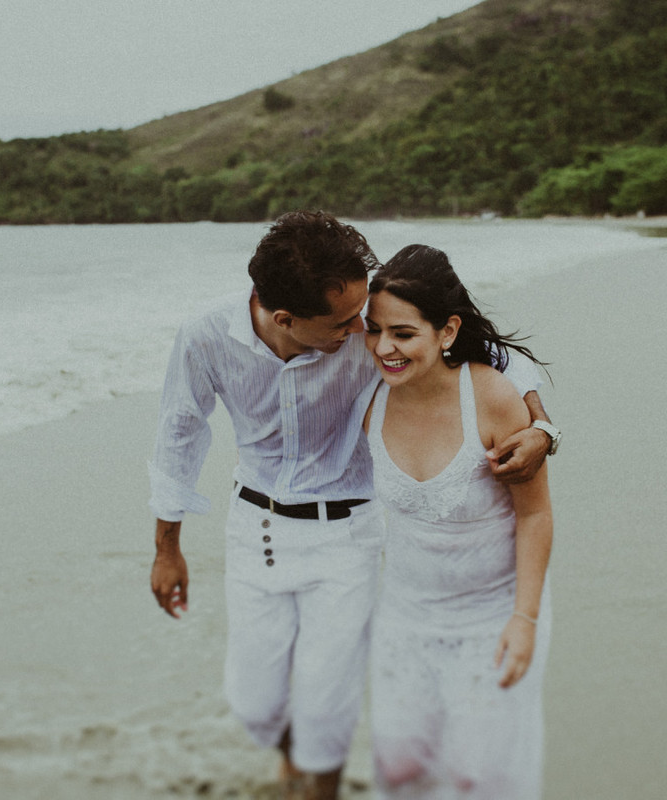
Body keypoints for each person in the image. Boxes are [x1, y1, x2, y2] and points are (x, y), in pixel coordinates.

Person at [147, 212, 558, 799]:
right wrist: (167, 547)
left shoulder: (367, 331)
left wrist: (543, 425)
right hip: (253, 529)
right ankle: (290, 760)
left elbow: (479, 348)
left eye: (366, 318)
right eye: (347, 324)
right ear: (284, 318)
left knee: (327, 708)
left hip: (346, 534)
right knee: (255, 704)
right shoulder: (209, 336)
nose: (364, 331)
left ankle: (320, 787)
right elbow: (178, 435)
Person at [361, 244, 554, 798]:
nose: (383, 348)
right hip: (404, 616)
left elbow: (536, 515)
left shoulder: (491, 399)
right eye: (374, 331)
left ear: (446, 332)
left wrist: (525, 620)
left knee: (480, 779)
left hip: (491, 617)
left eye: (402, 333)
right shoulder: (368, 396)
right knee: (401, 771)